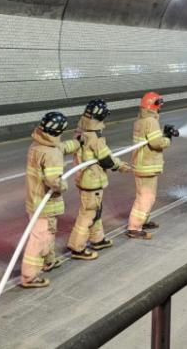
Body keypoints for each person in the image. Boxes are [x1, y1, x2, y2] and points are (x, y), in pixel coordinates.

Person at [20, 111, 80, 288]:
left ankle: (48, 261)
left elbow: (61, 147)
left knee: (48, 233)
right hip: (44, 204)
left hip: (34, 199)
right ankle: (29, 275)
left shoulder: (37, 145)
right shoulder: (51, 154)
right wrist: (63, 185)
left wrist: (77, 143)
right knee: (40, 238)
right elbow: (54, 181)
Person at [67, 99, 131, 260]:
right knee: (88, 214)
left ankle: (97, 240)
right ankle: (77, 247)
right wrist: (120, 166)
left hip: (85, 179)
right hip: (92, 181)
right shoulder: (95, 136)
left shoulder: (81, 131)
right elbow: (105, 159)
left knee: (96, 212)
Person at [126, 92, 174, 240]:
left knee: (143, 196)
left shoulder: (141, 120)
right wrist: (168, 139)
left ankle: (142, 221)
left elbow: (150, 138)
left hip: (142, 164)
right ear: (154, 105)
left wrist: (164, 134)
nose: (160, 108)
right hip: (147, 165)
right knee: (147, 198)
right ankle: (134, 228)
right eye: (159, 105)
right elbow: (156, 143)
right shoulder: (151, 121)